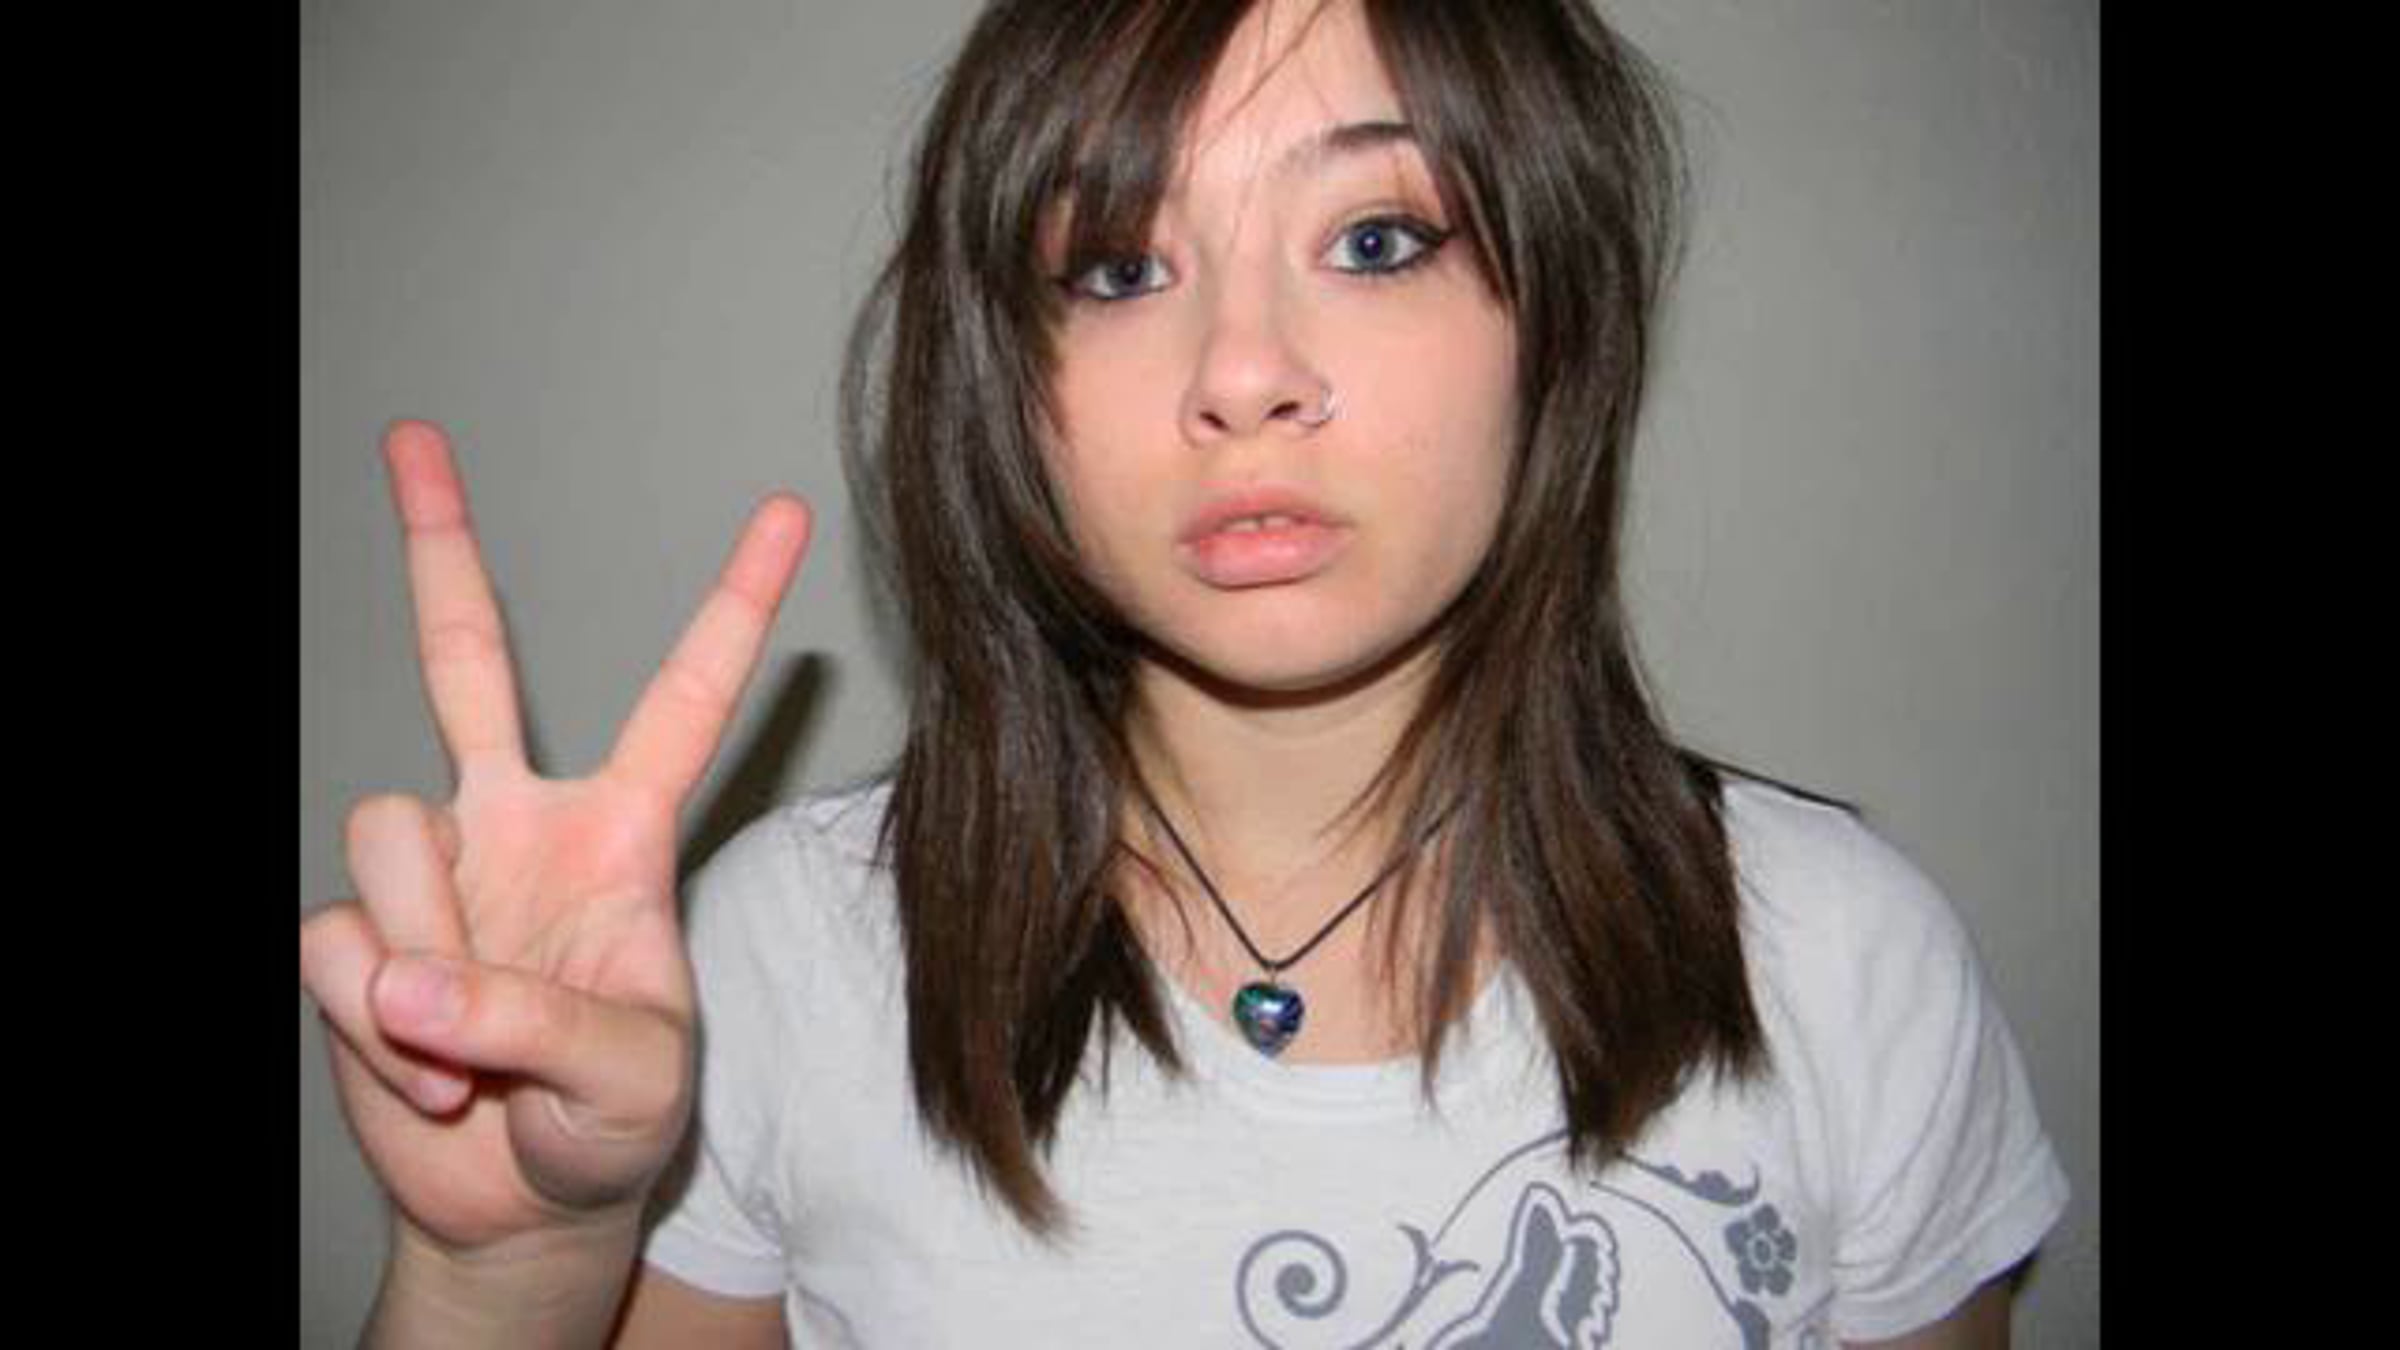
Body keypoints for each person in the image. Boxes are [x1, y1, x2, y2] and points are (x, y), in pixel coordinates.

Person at [298, 0, 2069, 1345]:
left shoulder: (1840, 957)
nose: (1239, 372)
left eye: (1377, 240)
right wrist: (501, 1269)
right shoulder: (785, 957)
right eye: (1119, 264)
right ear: (1008, 386)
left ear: (1561, 326)